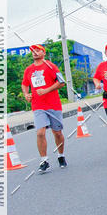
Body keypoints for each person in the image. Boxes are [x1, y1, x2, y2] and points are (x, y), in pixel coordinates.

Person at [22, 45, 67, 173]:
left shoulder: (51, 66)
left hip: (53, 104)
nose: (35, 53)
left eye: (38, 50)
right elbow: (24, 84)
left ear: (44, 53)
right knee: (40, 133)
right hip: (38, 106)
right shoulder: (29, 69)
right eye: (33, 51)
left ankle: (61, 155)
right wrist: (26, 94)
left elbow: (61, 82)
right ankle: (44, 160)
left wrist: (46, 90)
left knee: (57, 133)